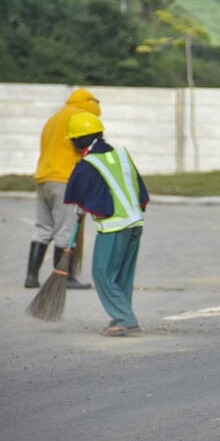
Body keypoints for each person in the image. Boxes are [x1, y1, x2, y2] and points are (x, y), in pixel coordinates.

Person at [64, 112, 150, 337]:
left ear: (80, 139)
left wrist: (81, 205)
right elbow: (136, 185)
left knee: (102, 273)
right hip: (135, 223)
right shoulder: (121, 154)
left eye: (73, 140)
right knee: (122, 275)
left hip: (114, 227)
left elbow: (82, 191)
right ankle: (120, 318)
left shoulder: (88, 163)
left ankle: (125, 318)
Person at [25, 88, 100, 290]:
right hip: (64, 180)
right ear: (90, 102)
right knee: (65, 230)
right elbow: (84, 147)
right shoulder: (79, 117)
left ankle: (31, 277)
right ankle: (64, 278)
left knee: (43, 228)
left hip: (43, 177)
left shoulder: (54, 118)